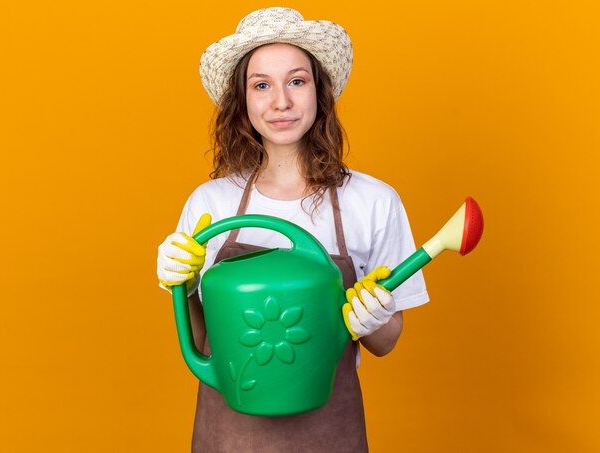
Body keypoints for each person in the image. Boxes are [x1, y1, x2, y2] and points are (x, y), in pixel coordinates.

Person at [157, 7, 429, 452]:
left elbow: (386, 343)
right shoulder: (211, 204)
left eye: (296, 81)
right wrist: (181, 285)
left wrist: (373, 319)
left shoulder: (373, 201)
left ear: (319, 92)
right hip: (227, 438)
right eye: (261, 85)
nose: (280, 102)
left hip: (330, 435)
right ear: (242, 102)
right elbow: (202, 342)